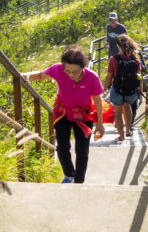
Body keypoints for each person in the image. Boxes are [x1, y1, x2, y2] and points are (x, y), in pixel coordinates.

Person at [23, 45, 104, 183]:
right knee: (62, 147)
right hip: (63, 113)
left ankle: (79, 181)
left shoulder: (92, 78)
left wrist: (100, 124)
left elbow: (97, 100)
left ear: (83, 67)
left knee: (82, 150)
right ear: (63, 67)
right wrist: (27, 75)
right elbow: (41, 75)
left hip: (84, 115)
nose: (71, 75)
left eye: (75, 71)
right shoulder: (57, 70)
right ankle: (69, 174)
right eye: (68, 71)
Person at [103, 34, 142, 142]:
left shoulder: (113, 59)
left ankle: (121, 136)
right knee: (127, 106)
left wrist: (104, 87)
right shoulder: (135, 59)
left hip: (117, 91)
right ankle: (128, 131)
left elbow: (109, 76)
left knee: (118, 113)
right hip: (131, 92)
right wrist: (140, 88)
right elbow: (139, 76)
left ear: (119, 46)